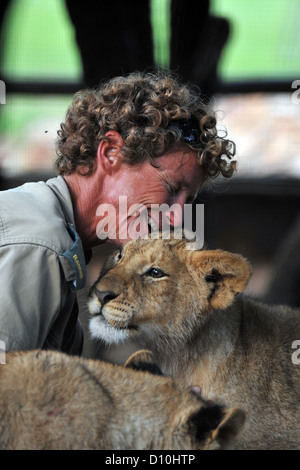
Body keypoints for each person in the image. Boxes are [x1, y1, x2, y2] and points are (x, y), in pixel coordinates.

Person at [0, 71, 235, 354]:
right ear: (111, 153)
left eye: (187, 200)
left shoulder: (52, 229)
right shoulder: (42, 245)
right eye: (172, 188)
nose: (176, 218)